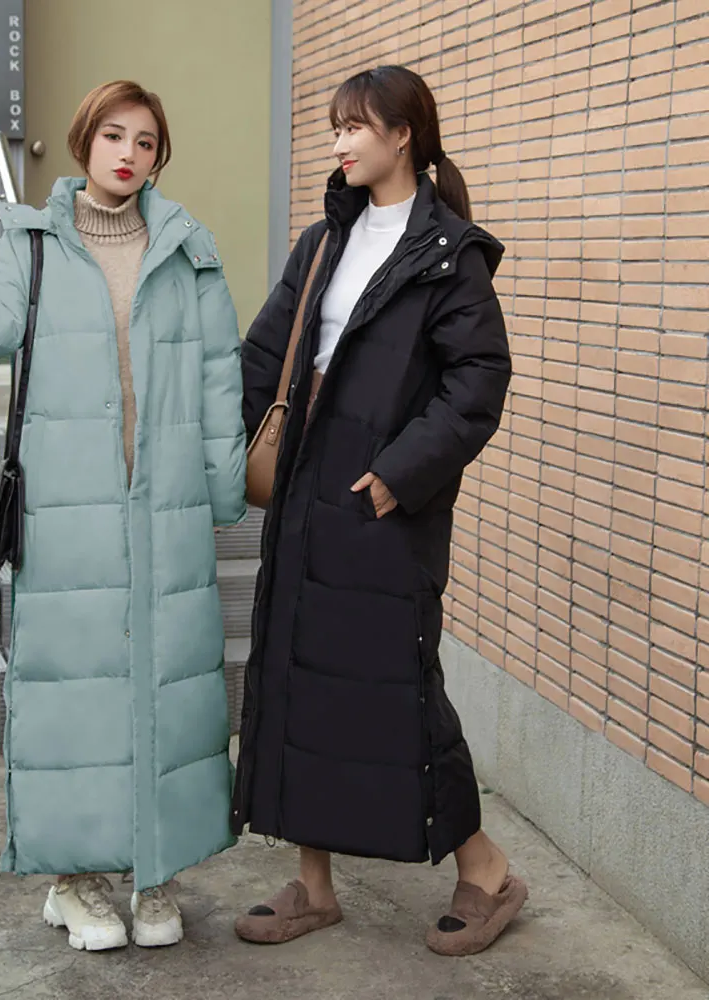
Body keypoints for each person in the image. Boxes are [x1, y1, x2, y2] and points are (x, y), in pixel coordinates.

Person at [0, 80, 246, 952]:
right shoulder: (34, 243)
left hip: (166, 510)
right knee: (76, 699)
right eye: (114, 135)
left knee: (169, 694)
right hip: (69, 511)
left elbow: (221, 376)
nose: (129, 154)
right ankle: (75, 882)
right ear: (83, 142)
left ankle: (155, 871)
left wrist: (220, 492)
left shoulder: (189, 250)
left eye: (146, 142)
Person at [232, 65, 525, 956]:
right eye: (334, 127)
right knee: (297, 674)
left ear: (404, 134)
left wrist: (401, 472)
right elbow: (267, 351)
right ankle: (314, 885)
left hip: (384, 499)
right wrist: (217, 439)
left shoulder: (449, 254)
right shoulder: (326, 239)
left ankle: (487, 871)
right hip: (305, 485)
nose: (340, 143)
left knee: (399, 683)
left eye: (355, 126)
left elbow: (480, 380)